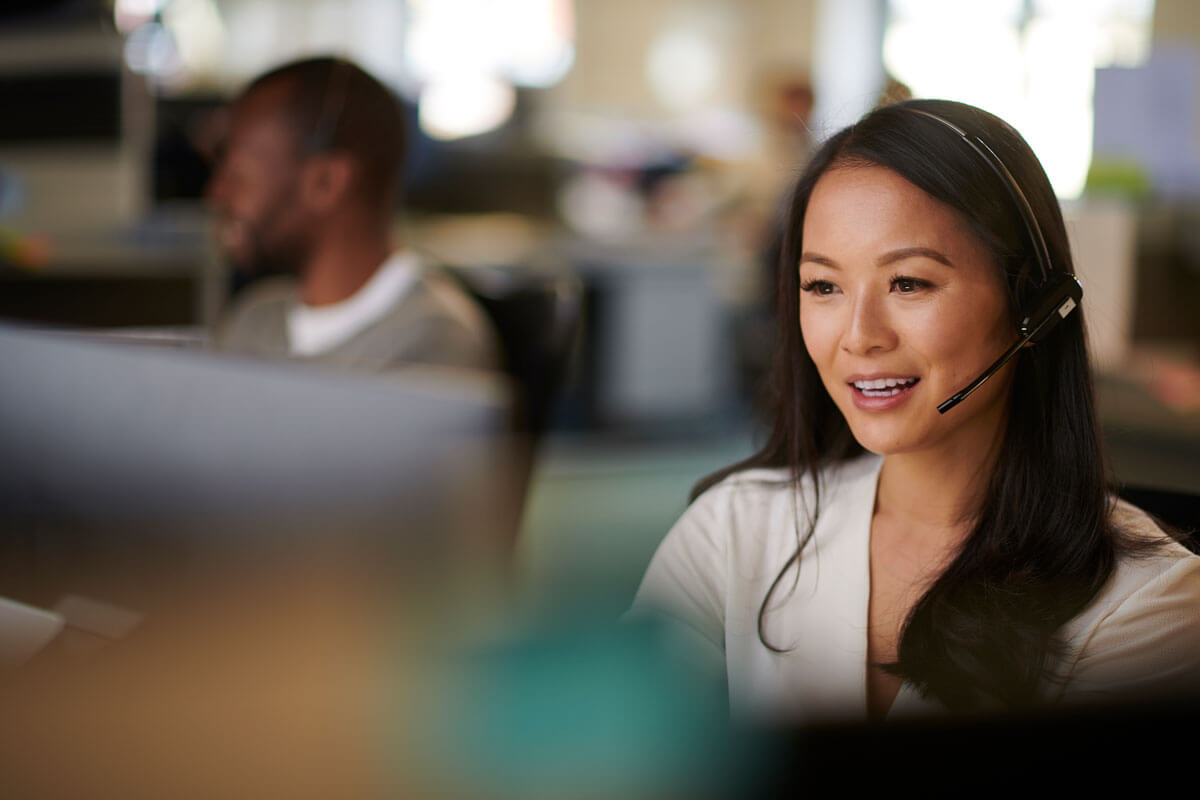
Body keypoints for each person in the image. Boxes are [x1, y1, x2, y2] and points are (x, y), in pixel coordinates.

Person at [631, 99, 1200, 722]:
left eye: (909, 283)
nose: (858, 336)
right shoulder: (734, 530)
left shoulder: (1151, 603)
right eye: (823, 286)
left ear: (1034, 306)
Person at [207, 56, 501, 373]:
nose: (217, 194)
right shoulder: (254, 321)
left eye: (238, 174)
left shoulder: (436, 345)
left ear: (326, 182)